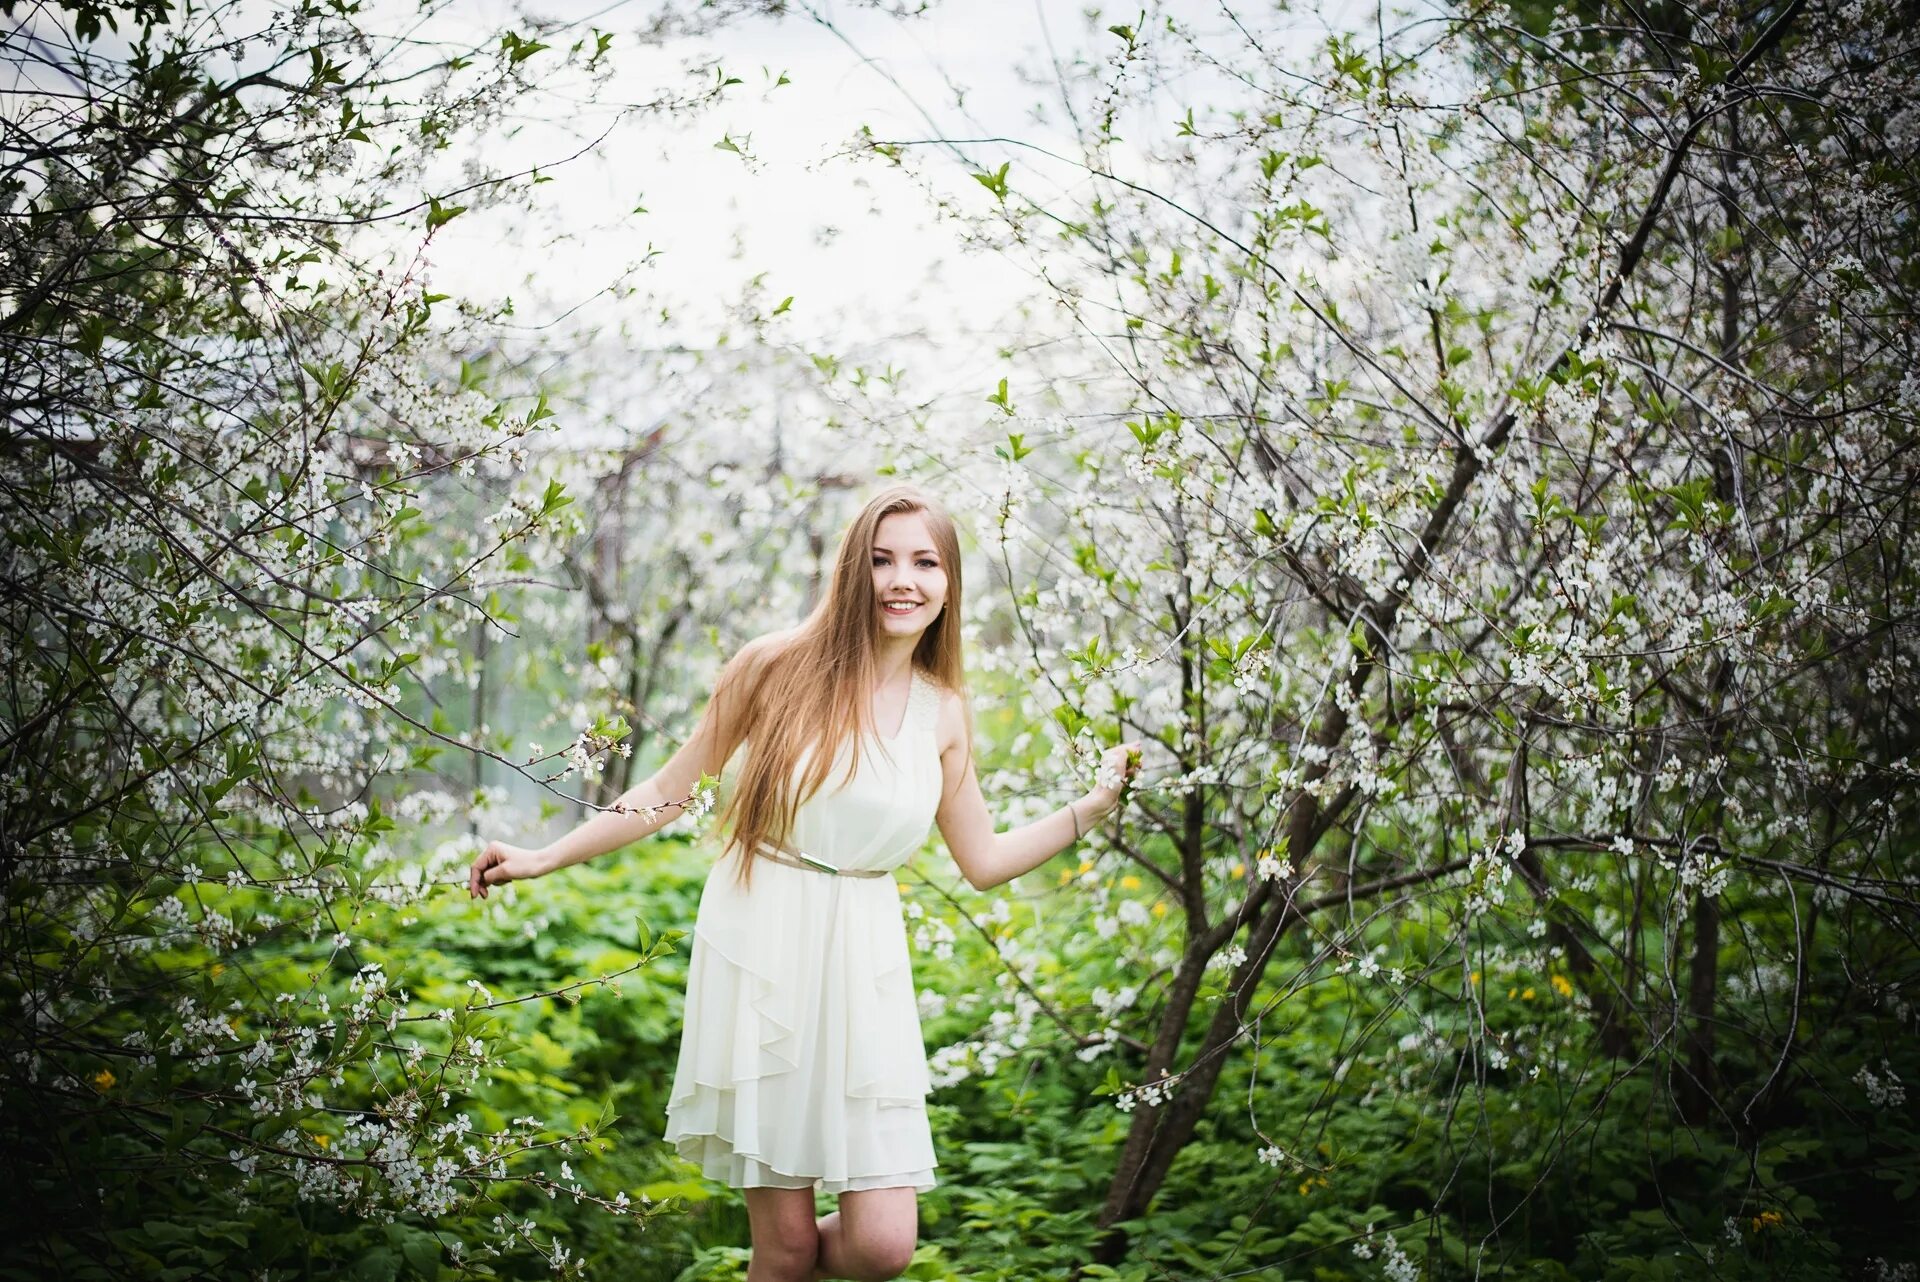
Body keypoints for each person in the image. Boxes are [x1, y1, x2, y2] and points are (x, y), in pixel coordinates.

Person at [468, 483, 1142, 1282]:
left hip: (865, 962)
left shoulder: (945, 712)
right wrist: (546, 855)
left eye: (925, 563)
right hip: (765, 938)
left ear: (949, 583)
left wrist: (1094, 807)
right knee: (785, 1248)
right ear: (851, 571)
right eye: (882, 559)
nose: (902, 579)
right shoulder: (775, 667)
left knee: (883, 1247)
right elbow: (669, 790)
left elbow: (984, 860)